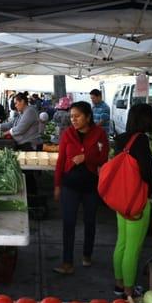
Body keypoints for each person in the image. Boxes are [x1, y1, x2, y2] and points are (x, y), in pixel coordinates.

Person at [53, 101, 109, 274]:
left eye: (77, 116)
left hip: (91, 186)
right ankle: (67, 262)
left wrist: (86, 158)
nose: (73, 120)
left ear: (88, 117)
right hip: (70, 185)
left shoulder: (99, 133)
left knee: (90, 221)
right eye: (71, 117)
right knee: (68, 223)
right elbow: (61, 161)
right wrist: (57, 185)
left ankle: (87, 254)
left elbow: (104, 157)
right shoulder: (67, 133)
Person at [113, 103, 152, 297]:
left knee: (122, 242)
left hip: (120, 199)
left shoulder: (120, 139)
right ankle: (130, 292)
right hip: (137, 201)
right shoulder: (141, 140)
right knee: (133, 246)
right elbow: (146, 172)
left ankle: (119, 285)